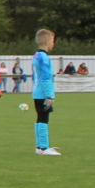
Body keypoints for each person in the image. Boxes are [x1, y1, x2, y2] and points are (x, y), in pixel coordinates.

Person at [32, 28, 60, 156]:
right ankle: (44, 147)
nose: (53, 43)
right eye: (52, 40)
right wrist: (49, 95)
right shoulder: (44, 57)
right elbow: (46, 77)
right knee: (44, 118)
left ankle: (40, 146)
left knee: (40, 118)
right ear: (47, 42)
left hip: (37, 91)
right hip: (43, 93)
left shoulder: (36, 55)